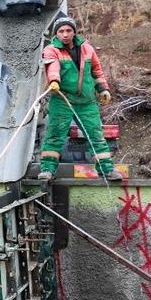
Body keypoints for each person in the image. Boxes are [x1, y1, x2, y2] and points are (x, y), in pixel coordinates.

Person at [38, 15, 123, 181]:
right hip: (62, 100)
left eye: (68, 30)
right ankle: (47, 170)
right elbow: (52, 67)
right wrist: (54, 81)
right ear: (56, 34)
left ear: (74, 32)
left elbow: (96, 70)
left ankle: (107, 170)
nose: (65, 34)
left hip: (86, 101)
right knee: (55, 135)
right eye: (61, 31)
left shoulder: (87, 48)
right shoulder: (51, 50)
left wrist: (103, 89)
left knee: (96, 135)